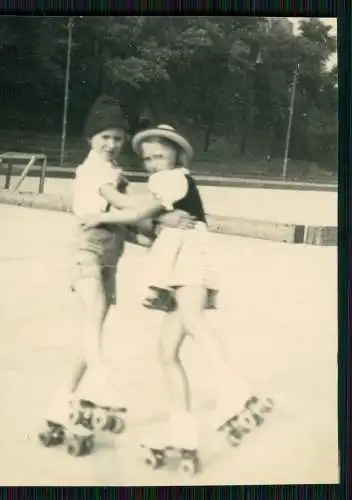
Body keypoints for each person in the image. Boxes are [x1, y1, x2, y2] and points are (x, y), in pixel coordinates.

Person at [82, 124, 274, 460]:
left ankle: (234, 389)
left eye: (159, 155)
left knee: (192, 317)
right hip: (175, 261)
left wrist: (98, 216)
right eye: (147, 159)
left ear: (176, 155)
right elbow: (149, 221)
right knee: (166, 352)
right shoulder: (168, 182)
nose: (152, 163)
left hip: (189, 256)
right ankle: (181, 428)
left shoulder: (170, 178)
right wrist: (157, 222)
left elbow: (139, 210)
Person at [38, 100, 196, 452]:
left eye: (118, 138)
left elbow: (125, 227)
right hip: (86, 253)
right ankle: (100, 381)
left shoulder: (113, 172)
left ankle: (59, 404)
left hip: (109, 261)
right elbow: (119, 209)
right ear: (90, 138)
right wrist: (158, 219)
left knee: (89, 334)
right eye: (105, 137)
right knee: (93, 310)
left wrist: (157, 237)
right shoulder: (92, 171)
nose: (111, 144)